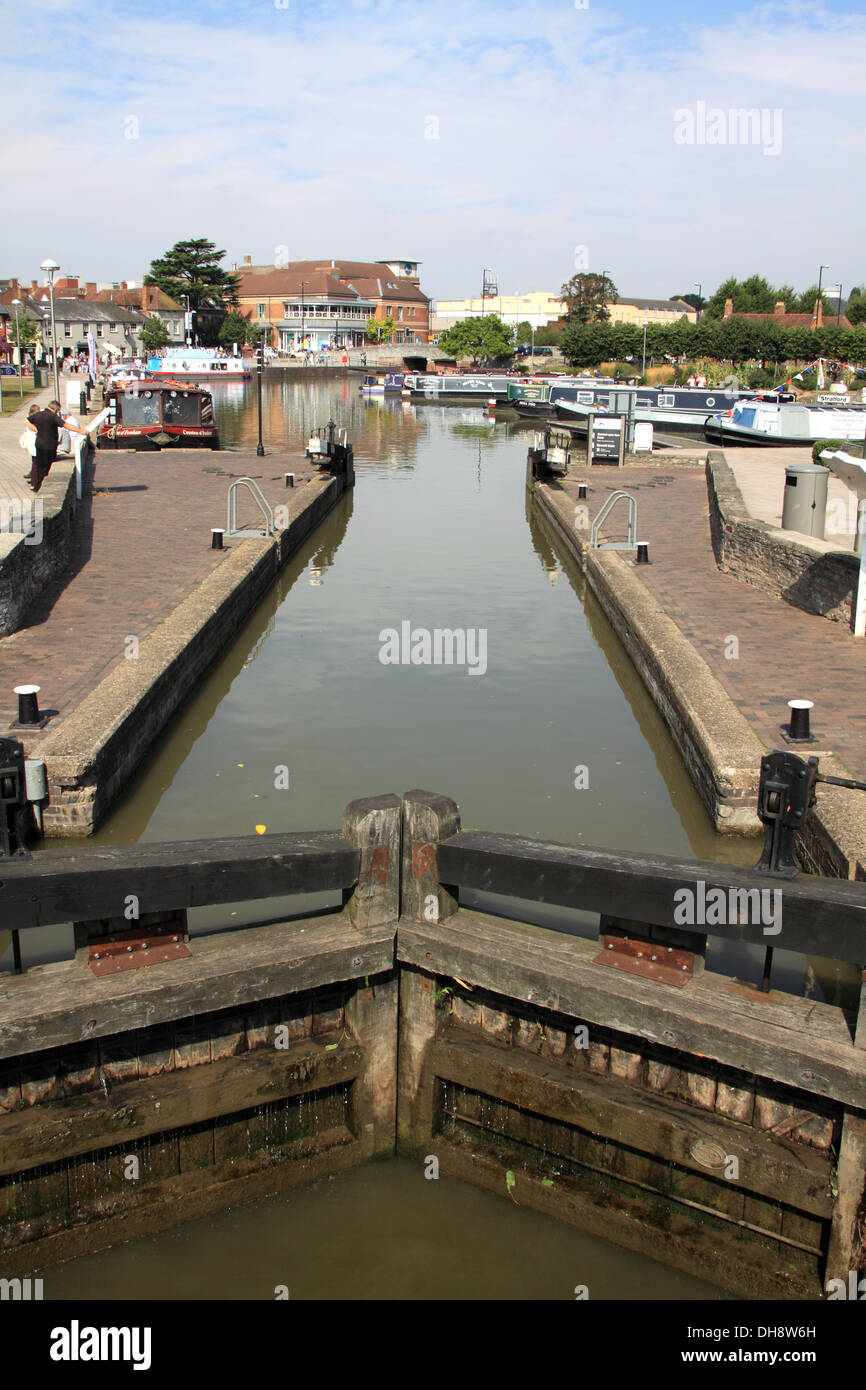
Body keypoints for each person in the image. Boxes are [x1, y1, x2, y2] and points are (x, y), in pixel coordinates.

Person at [26, 400, 86, 492]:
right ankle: (41, 487)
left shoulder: (39, 414)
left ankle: (37, 486)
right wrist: (80, 431)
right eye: (57, 411)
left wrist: (33, 428)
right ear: (55, 410)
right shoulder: (53, 417)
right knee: (46, 467)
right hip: (49, 446)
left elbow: (26, 420)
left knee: (39, 467)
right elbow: (66, 425)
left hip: (39, 444)